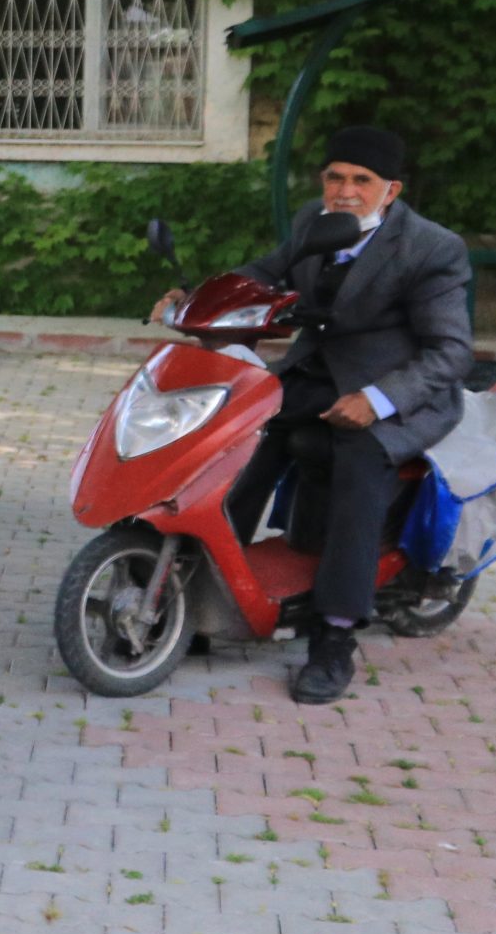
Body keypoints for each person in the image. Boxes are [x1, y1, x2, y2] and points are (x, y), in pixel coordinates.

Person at [188, 126, 472, 704]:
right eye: (335, 177)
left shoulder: (430, 248)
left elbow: (451, 351)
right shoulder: (313, 222)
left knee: (358, 465)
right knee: (239, 444)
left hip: (396, 393)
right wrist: (197, 301)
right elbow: (265, 272)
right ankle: (203, 588)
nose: (345, 191)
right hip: (315, 376)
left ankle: (335, 634)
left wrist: (379, 399)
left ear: (390, 190)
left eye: (361, 180)